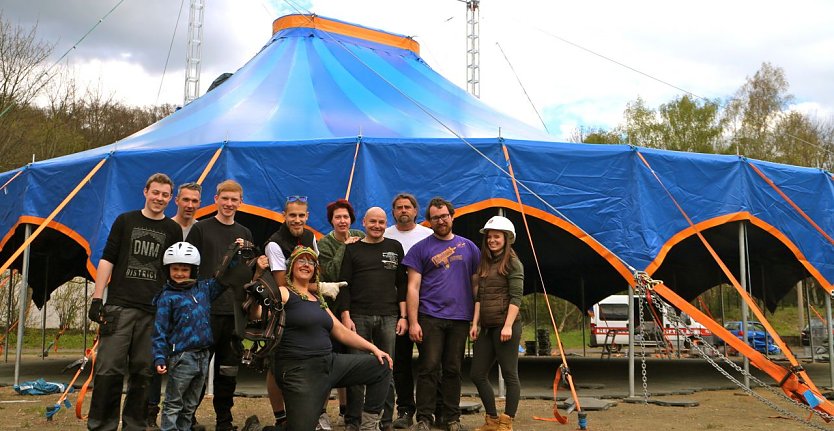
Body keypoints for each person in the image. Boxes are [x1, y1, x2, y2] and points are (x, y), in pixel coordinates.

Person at [86, 173, 183, 431]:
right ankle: (102, 425)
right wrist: (97, 299)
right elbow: (107, 259)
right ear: (145, 192)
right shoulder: (126, 220)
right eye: (155, 192)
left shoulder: (173, 230)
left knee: (143, 373)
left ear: (170, 199)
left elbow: (176, 272)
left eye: (165, 195)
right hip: (119, 306)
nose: (159, 198)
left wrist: (174, 308)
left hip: (154, 313)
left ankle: (134, 425)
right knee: (108, 370)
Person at [273, 246, 393, 431]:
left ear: (315, 269)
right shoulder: (284, 292)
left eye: (311, 262)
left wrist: (373, 348)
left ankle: (368, 426)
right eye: (301, 261)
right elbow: (259, 312)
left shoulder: (317, 298)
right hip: (300, 370)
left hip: (329, 363)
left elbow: (341, 331)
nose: (306, 265)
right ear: (291, 267)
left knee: (382, 365)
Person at [152, 241, 269, 431]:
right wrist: (159, 355)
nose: (180, 273)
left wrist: (234, 254)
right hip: (182, 356)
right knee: (174, 402)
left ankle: (185, 428)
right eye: (175, 269)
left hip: (203, 355)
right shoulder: (167, 297)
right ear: (168, 270)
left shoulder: (204, 289)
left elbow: (222, 278)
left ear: (193, 270)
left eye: (184, 269)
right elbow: (160, 330)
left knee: (190, 404)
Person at [405, 197, 479, 431]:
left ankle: (451, 419)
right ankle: (424, 418)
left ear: (452, 216)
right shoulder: (421, 249)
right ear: (429, 221)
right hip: (430, 317)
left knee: (453, 369)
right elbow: (412, 288)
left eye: (444, 216)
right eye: (435, 217)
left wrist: (477, 318)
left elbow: (477, 285)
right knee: (428, 367)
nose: (441, 220)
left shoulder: (469, 247)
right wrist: (413, 321)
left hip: (459, 318)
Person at [186, 179, 254, 431]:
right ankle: (188, 418)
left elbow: (246, 272)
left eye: (234, 199)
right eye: (224, 198)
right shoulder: (200, 229)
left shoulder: (245, 233)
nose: (228, 203)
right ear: (215, 199)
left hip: (234, 312)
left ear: (240, 202)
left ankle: (224, 421)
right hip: (205, 311)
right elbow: (188, 269)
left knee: (228, 371)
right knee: (197, 369)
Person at [340, 207, 407, 431]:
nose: (377, 226)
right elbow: (344, 285)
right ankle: (353, 420)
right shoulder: (352, 249)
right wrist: (345, 316)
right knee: (356, 370)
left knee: (387, 369)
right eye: (372, 222)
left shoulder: (395, 247)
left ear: (386, 223)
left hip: (389, 315)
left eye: (381, 222)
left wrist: (404, 316)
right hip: (358, 316)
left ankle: (385, 420)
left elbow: (402, 285)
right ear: (364, 223)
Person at [148, 181, 203, 429]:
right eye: (186, 200)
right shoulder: (167, 227)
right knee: (158, 357)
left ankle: (187, 419)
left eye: (195, 201)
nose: (190, 205)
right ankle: (151, 411)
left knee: (190, 370)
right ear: (177, 200)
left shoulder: (200, 230)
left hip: (189, 306)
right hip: (164, 301)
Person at [263, 195, 319, 430]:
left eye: (301, 215)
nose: (297, 220)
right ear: (284, 216)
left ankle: (307, 413)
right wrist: (317, 288)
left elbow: (316, 270)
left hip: (306, 305)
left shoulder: (310, 237)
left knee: (308, 361)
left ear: (307, 216)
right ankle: (280, 417)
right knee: (277, 365)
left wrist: (313, 288)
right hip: (281, 309)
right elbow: (281, 284)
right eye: (292, 215)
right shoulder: (274, 243)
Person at [469, 216, 524, 431]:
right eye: (490, 237)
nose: (492, 240)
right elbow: (479, 297)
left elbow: (516, 297)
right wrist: (475, 324)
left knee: (510, 374)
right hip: (486, 326)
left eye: (496, 236)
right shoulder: (485, 262)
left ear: (506, 238)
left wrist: (508, 325)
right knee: (477, 374)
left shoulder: (512, 262)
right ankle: (491, 419)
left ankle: (507, 421)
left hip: (505, 325)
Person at [383, 194, 432, 429]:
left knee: (430, 362)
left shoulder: (428, 235)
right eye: (399, 207)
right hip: (396, 307)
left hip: (427, 306)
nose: (403, 210)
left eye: (408, 207)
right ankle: (404, 410)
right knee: (400, 362)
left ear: (416, 211)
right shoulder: (385, 235)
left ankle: (429, 411)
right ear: (393, 212)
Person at [317, 199, 364, 427]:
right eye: (338, 217)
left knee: (351, 361)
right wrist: (346, 246)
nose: (342, 221)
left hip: (358, 305)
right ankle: (322, 410)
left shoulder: (359, 234)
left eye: (346, 217)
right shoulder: (324, 244)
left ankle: (348, 410)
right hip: (332, 308)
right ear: (331, 221)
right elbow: (330, 272)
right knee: (330, 359)